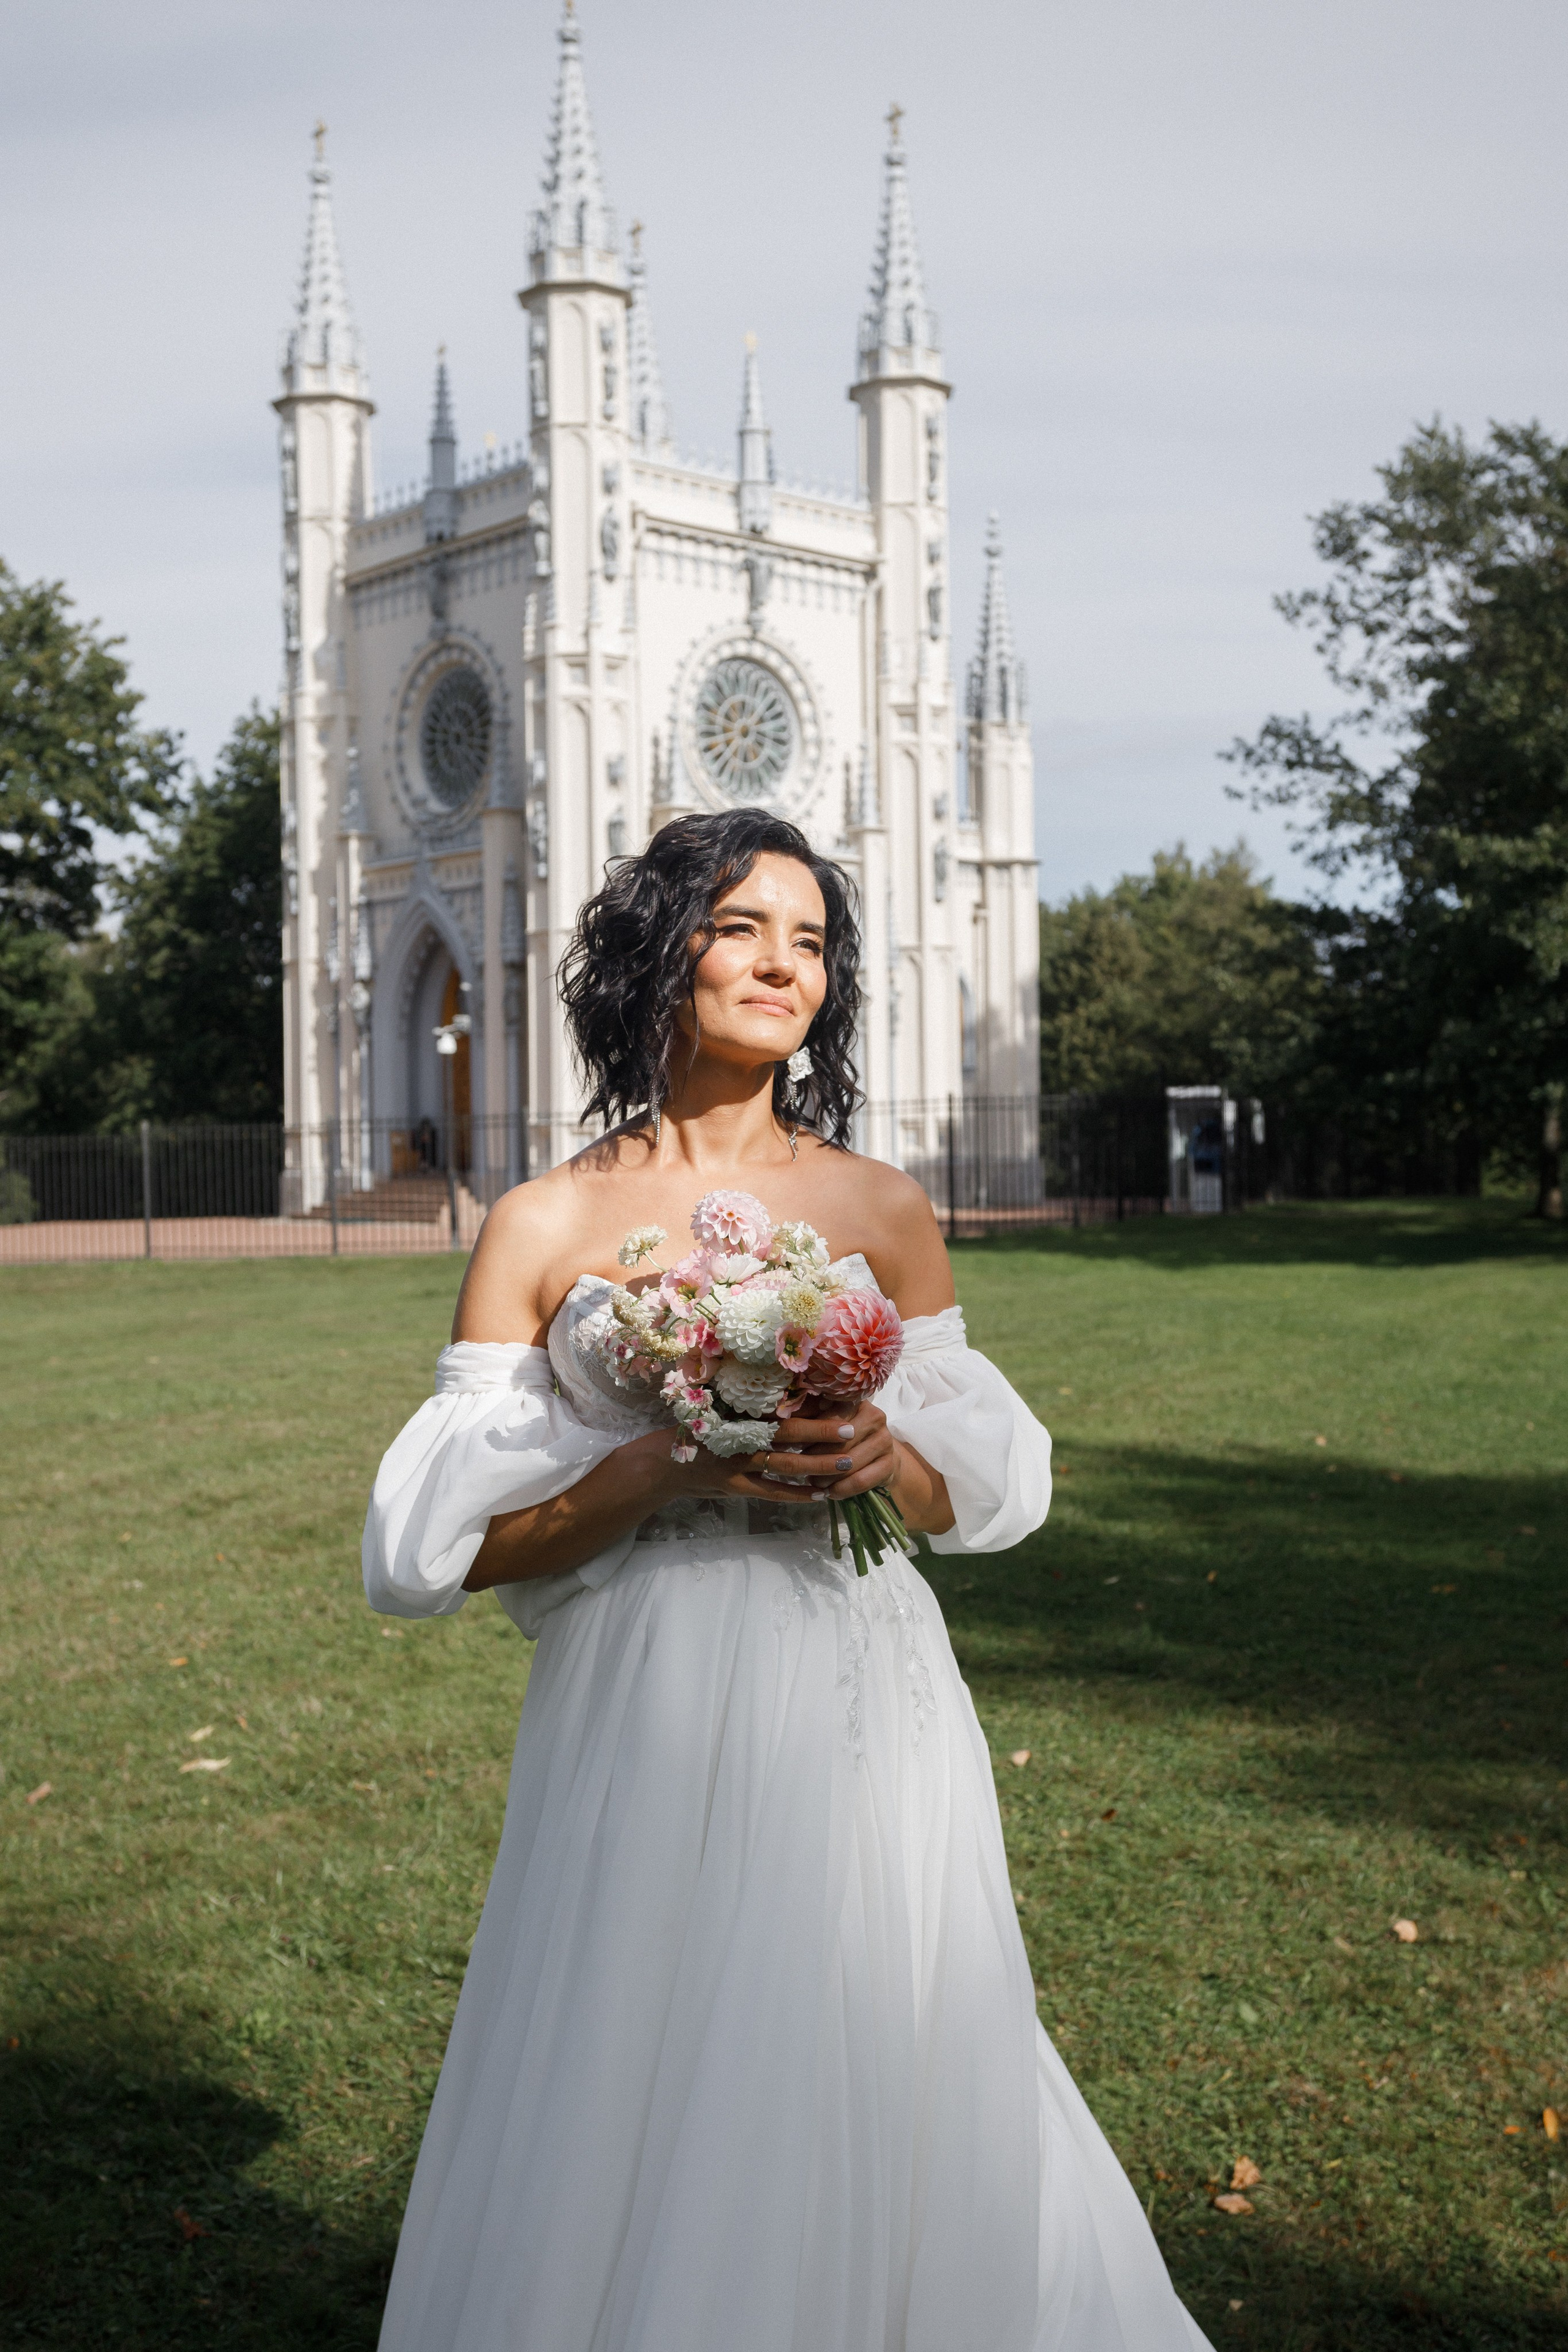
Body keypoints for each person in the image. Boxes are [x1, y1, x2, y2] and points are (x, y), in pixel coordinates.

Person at [363, 809, 1212, 2351]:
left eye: (811, 939)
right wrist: (649, 1469)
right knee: (637, 2038)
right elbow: (445, 1552)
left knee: (889, 2010)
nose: (783, 964)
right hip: (644, 1694)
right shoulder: (539, 1225)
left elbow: (977, 1493)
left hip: (859, 1674)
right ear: (658, 947)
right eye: (746, 926)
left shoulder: (880, 1209)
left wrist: (881, 1455)